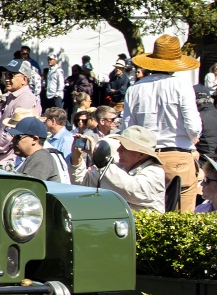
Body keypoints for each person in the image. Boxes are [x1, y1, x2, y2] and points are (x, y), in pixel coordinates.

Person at [121, 35, 202, 213]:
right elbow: (193, 127)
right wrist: (193, 139)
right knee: (183, 221)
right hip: (177, 156)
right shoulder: (182, 86)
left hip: (144, 157)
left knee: (147, 215)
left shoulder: (135, 89)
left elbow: (126, 130)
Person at [81, 124, 167, 213]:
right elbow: (85, 184)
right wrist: (76, 161)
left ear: (141, 154)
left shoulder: (155, 172)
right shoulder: (118, 168)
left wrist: (100, 159)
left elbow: (132, 191)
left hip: (143, 225)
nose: (118, 150)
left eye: (124, 147)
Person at [10, 116, 69, 183]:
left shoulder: (40, 157)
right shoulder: (34, 156)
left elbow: (26, 188)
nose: (13, 140)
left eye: (18, 137)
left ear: (34, 139)